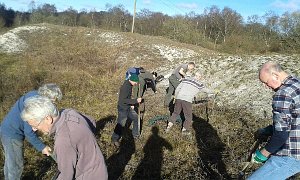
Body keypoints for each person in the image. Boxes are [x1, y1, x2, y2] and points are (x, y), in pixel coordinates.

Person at [21, 96, 108, 180]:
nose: (34, 129)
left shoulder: (63, 140)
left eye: (35, 125)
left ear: (48, 119)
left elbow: (66, 176)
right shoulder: (69, 112)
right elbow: (92, 122)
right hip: (99, 168)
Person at [248, 62, 300, 179]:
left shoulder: (283, 94)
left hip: (291, 154)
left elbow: (281, 135)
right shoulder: (297, 83)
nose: (266, 86)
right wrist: (268, 129)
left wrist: (262, 154)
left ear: (275, 75)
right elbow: (295, 118)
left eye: (266, 82)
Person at [0, 83, 62, 180]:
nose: (53, 105)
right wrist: (42, 147)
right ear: (47, 96)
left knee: (10, 163)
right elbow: (29, 132)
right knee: (16, 166)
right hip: (12, 134)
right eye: (52, 102)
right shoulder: (33, 104)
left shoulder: (34, 95)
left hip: (6, 129)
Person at [111, 74, 143, 147]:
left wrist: (131, 104)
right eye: (136, 82)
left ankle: (135, 135)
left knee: (136, 118)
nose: (136, 84)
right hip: (123, 108)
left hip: (127, 106)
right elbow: (123, 100)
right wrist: (135, 101)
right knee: (121, 124)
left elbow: (127, 97)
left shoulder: (129, 84)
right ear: (132, 80)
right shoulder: (126, 87)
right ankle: (114, 139)